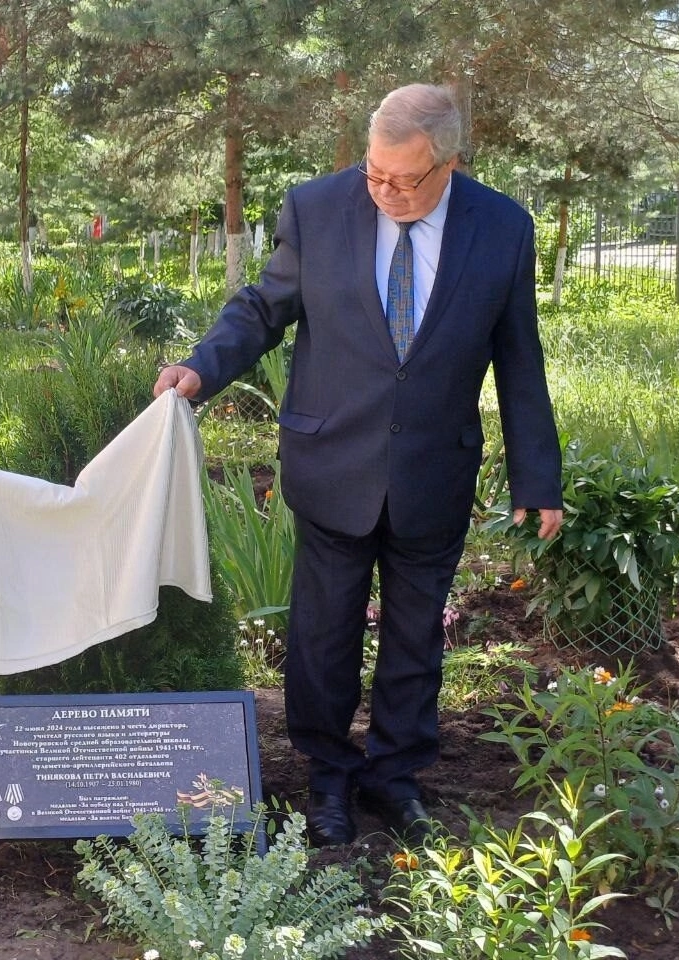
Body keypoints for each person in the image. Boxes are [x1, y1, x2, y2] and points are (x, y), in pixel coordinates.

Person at [153, 84, 563, 848]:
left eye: (406, 180)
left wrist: (538, 478)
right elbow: (262, 308)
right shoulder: (317, 207)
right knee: (322, 635)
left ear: (449, 163)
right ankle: (328, 774)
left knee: (416, 639)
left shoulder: (503, 227)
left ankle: (395, 776)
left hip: (434, 469)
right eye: (376, 175)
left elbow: (519, 358)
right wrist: (200, 369)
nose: (387, 193)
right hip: (331, 461)